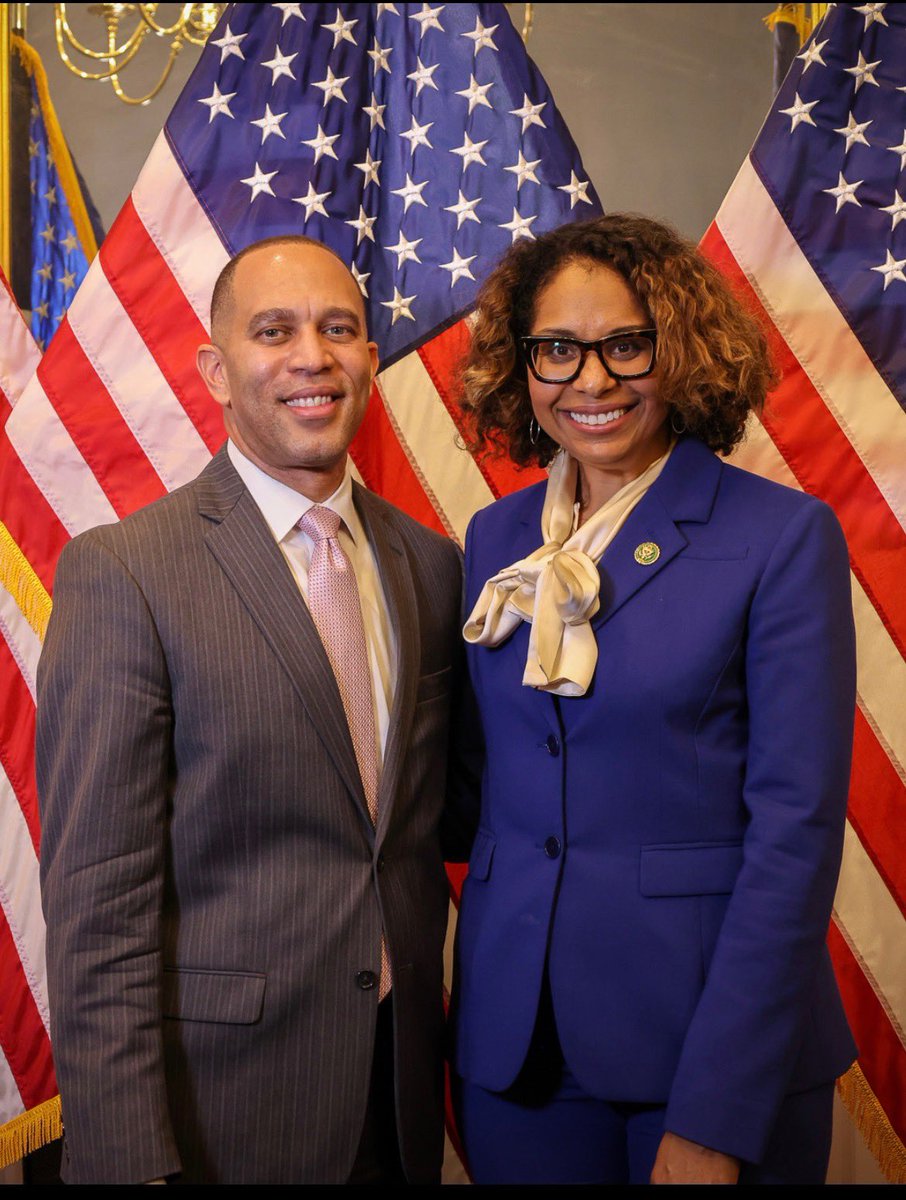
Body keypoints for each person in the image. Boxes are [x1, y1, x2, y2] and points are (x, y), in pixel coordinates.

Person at [36, 235, 463, 1185]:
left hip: (397, 1094)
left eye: (338, 329)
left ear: (366, 357)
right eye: (275, 331)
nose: (312, 355)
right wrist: (125, 1162)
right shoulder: (126, 573)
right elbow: (99, 905)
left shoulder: (431, 564)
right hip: (219, 1113)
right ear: (216, 371)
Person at [450, 214, 857, 1185]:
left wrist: (717, 1112)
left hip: (702, 1053)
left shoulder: (782, 538)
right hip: (518, 1049)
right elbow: (474, 784)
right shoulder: (493, 538)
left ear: (678, 350)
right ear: (523, 364)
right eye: (558, 349)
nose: (590, 381)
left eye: (625, 344)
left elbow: (794, 837)